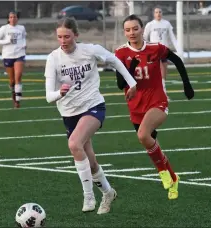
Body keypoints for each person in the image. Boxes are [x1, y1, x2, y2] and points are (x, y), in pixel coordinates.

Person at [45, 17, 137, 214]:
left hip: (93, 106)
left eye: (67, 36)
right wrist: (59, 93)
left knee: (73, 144)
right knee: (90, 160)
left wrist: (132, 83)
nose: (63, 40)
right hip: (69, 113)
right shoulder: (53, 58)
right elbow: (48, 96)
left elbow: (115, 61)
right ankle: (108, 192)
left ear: (76, 35)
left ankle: (88, 196)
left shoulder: (90, 50)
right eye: (60, 37)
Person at [115, 14, 194, 200]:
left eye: (135, 28)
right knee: (150, 142)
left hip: (157, 102)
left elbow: (177, 60)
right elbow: (120, 83)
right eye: (127, 30)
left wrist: (187, 85)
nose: (132, 33)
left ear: (142, 29)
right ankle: (174, 178)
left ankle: (162, 173)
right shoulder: (120, 53)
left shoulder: (155, 48)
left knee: (143, 135)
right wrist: (132, 67)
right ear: (124, 32)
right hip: (135, 107)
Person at [143, 7, 182, 96]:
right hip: (154, 51)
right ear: (154, 14)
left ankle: (163, 91)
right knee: (156, 70)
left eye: (160, 12)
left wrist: (179, 50)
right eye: (156, 12)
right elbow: (144, 37)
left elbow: (172, 37)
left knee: (163, 71)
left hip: (163, 50)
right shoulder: (150, 24)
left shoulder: (166, 24)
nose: (158, 14)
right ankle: (154, 91)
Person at [0, 11, 26, 108]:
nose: (13, 19)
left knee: (18, 76)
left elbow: (23, 38)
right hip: (8, 55)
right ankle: (14, 96)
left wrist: (24, 45)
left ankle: (18, 100)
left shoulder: (21, 28)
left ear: (17, 18)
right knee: (12, 81)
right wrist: (7, 41)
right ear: (8, 19)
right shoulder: (4, 28)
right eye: (11, 17)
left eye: (14, 17)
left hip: (19, 54)